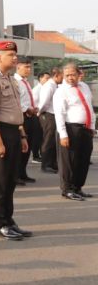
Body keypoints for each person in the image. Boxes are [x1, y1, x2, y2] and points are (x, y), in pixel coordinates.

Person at [0, 41, 31, 241]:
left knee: (10, 181)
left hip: (13, 132)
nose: (15, 57)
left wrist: (22, 135)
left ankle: (9, 220)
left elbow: (16, 111)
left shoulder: (11, 80)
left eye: (15, 54)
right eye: (10, 54)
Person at [53, 63, 94, 201]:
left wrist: (92, 127)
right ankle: (67, 189)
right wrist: (63, 134)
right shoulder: (61, 91)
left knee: (83, 160)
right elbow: (59, 114)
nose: (70, 78)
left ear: (79, 74)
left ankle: (78, 187)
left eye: (73, 75)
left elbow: (89, 107)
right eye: (67, 75)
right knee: (69, 162)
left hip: (85, 129)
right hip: (70, 129)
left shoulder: (85, 87)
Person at [14, 58, 38, 185]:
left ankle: (22, 173)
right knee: (20, 148)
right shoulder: (15, 82)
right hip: (21, 117)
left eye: (30, 67)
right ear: (18, 67)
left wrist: (33, 109)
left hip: (30, 116)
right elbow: (15, 102)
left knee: (27, 147)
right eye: (26, 67)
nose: (29, 69)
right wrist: (27, 109)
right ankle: (16, 175)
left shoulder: (26, 82)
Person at [38, 67, 63, 173]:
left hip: (54, 115)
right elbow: (44, 102)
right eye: (62, 76)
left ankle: (52, 163)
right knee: (48, 140)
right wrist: (40, 113)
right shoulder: (49, 86)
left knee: (53, 140)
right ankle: (46, 164)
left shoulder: (55, 85)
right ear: (56, 75)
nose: (64, 79)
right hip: (48, 115)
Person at [31, 72, 50, 162]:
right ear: (40, 79)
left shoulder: (46, 88)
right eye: (46, 78)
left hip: (42, 115)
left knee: (42, 136)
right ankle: (35, 155)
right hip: (37, 115)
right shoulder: (37, 89)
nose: (48, 80)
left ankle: (42, 154)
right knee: (37, 136)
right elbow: (33, 103)